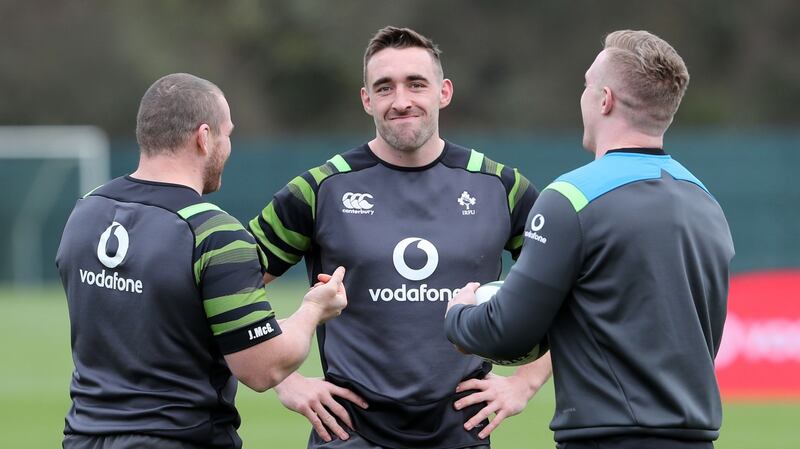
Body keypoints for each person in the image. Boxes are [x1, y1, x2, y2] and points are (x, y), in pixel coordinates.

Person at [248, 27, 552, 449]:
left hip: (462, 433)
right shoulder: (319, 189)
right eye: (384, 87)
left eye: (416, 84)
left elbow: (573, 288)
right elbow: (224, 290)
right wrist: (286, 382)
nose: (401, 101)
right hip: (348, 434)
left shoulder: (503, 187)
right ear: (366, 99)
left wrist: (523, 384)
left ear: (444, 92)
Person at [445, 30, 735, 449]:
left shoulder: (571, 199)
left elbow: (505, 332)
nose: (582, 97)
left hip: (609, 439)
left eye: (586, 85)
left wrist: (459, 315)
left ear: (605, 100)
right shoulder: (706, 203)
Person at [56, 73, 348, 449]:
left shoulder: (87, 210)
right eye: (227, 135)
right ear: (204, 137)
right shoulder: (214, 233)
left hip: (82, 438)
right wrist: (313, 309)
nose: (228, 146)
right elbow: (263, 368)